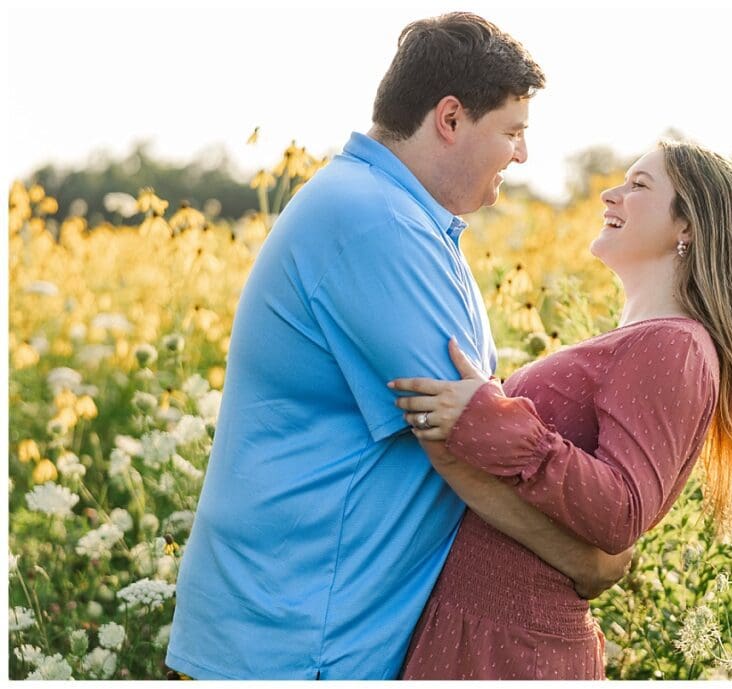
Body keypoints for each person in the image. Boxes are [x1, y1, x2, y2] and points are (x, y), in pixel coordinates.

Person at [165, 12, 631, 680]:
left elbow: (473, 414)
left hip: (307, 624)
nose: (522, 155)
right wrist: (589, 560)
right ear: (450, 118)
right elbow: (459, 440)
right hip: (301, 637)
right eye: (513, 131)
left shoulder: (388, 209)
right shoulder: (374, 222)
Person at [390, 140, 732, 679]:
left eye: (638, 186)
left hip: (511, 645)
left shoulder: (674, 346)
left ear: (687, 227)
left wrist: (491, 418)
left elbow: (622, 510)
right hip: (485, 626)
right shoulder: (648, 340)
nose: (610, 194)